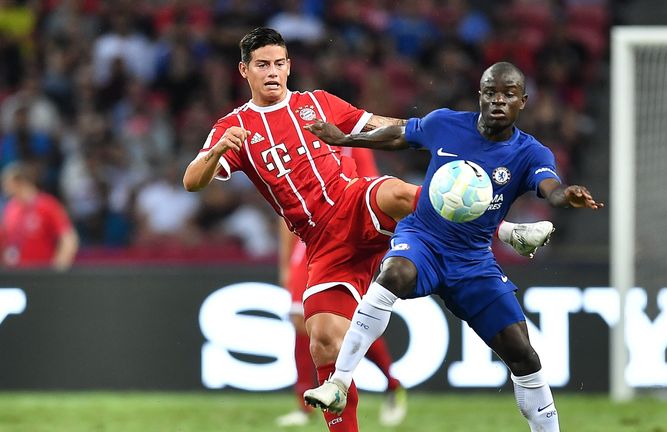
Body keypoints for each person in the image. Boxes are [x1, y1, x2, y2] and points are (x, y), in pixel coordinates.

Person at [183, 28, 554, 432]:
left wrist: (438, 133)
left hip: (354, 203)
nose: (272, 72)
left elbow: (384, 124)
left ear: (289, 66)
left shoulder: (317, 103)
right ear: (244, 70)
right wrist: (219, 149)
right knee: (323, 339)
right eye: (262, 65)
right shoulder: (233, 128)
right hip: (321, 244)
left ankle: (507, 230)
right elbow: (192, 181)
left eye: (278, 63)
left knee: (395, 191)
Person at [302, 62, 603, 432]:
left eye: (508, 94)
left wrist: (564, 196)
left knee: (523, 355)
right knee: (394, 272)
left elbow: (550, 187)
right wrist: (345, 139)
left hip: (474, 263)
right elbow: (399, 134)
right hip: (423, 240)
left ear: (522, 102)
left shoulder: (530, 153)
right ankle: (339, 382)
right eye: (491, 92)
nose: (498, 100)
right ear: (480, 95)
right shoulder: (446, 123)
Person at [275, 147, 406, 428]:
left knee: (339, 327)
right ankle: (304, 403)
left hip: (346, 236)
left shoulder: (351, 142)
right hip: (309, 236)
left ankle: (392, 384)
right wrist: (285, 262)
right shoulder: (293, 140)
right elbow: (286, 204)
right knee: (301, 319)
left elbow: (371, 190)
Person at [1, 162, 79, 270]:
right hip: (15, 274)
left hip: (40, 276)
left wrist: (57, 271)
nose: (5, 188)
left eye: (7, 183)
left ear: (20, 182)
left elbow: (69, 239)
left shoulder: (47, 204)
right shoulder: (10, 208)